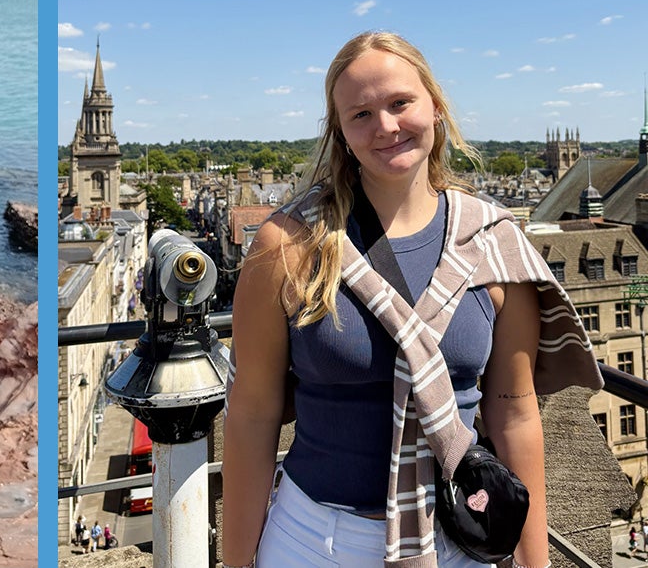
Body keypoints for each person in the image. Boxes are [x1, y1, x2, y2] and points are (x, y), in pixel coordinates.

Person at [221, 31, 602, 568]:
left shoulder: (493, 241)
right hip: (318, 541)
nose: (386, 126)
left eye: (401, 102)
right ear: (341, 134)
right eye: (361, 114)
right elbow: (252, 416)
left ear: (436, 108)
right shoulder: (287, 245)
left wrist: (534, 563)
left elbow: (514, 414)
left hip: (459, 538)